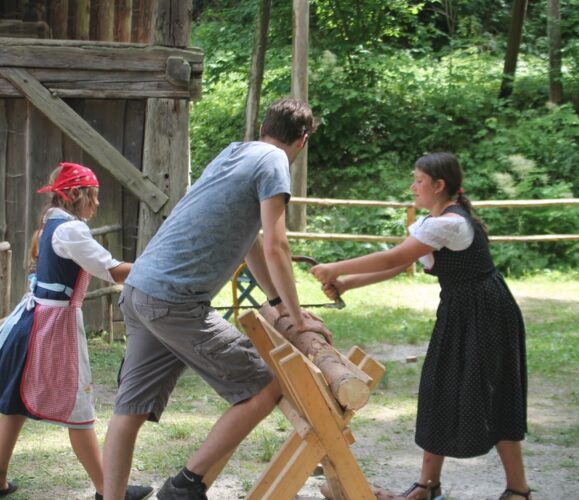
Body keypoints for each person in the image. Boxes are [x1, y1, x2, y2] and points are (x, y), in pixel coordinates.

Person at [101, 97, 332, 500]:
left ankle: (110, 497)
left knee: (130, 409)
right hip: (174, 300)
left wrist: (278, 303)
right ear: (304, 140)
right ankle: (185, 484)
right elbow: (278, 246)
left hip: (140, 290)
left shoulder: (235, 153)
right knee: (265, 385)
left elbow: (253, 243)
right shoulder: (276, 162)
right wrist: (296, 317)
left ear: (264, 127)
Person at [310, 152, 531, 500]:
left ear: (439, 185)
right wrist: (348, 283)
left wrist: (335, 268)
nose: (412, 186)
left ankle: (518, 491)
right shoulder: (436, 221)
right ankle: (427, 487)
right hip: (461, 311)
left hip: (486, 314)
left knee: (495, 392)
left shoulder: (450, 224)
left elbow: (395, 257)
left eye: (418, 180)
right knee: (437, 389)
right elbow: (401, 265)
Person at [0, 163, 153, 500]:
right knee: (79, 407)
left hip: (34, 319)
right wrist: (158, 267)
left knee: (15, 403)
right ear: (76, 195)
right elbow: (112, 271)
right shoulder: (71, 230)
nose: (96, 205)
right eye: (94, 197)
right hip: (55, 325)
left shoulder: (52, 222)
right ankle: (108, 489)